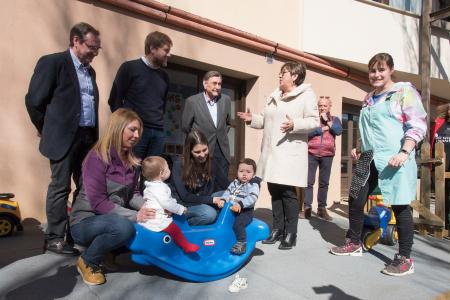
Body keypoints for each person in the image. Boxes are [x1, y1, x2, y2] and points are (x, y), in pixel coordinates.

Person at [330, 53, 427, 277]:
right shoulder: (369, 98)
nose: (376, 74)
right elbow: (368, 128)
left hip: (395, 156)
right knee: (355, 198)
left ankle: (405, 258)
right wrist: (359, 145)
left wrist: (405, 151)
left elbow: (417, 123)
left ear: (391, 70)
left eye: (381, 70)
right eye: (372, 71)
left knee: (400, 205)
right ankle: (354, 243)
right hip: (369, 156)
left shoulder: (404, 92)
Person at [25, 22, 101, 256]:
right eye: (92, 47)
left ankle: (75, 231)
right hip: (63, 138)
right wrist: (45, 128)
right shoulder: (53, 63)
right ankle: (55, 238)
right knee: (60, 187)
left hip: (87, 137)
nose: (95, 53)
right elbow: (34, 101)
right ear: (76, 41)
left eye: (98, 49)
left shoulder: (90, 71)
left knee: (87, 186)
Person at [237, 61, 320, 250]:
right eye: (281, 72)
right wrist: (252, 119)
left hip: (289, 151)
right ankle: (277, 229)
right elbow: (267, 120)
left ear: (295, 76)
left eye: (284, 73)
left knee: (288, 194)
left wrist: (295, 124)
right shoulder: (275, 95)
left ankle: (291, 233)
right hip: (271, 151)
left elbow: (314, 121)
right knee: (274, 190)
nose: (280, 75)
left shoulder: (305, 94)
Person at [70, 108, 156, 285]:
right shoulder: (96, 158)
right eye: (132, 129)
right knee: (124, 227)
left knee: (149, 220)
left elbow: (133, 195)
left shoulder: (131, 160)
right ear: (118, 128)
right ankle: (88, 260)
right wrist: (135, 215)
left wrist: (150, 206)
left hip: (109, 219)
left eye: (139, 130)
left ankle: (107, 252)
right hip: (85, 221)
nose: (137, 135)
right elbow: (99, 203)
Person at [108, 31, 172, 159]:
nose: (169, 55)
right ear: (152, 49)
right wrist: (124, 126)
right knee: (132, 171)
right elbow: (115, 99)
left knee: (152, 175)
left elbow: (162, 105)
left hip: (158, 133)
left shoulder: (165, 77)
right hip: (136, 131)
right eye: (166, 50)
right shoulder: (129, 68)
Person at [182, 71, 232, 190]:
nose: (218, 87)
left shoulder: (226, 99)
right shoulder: (192, 101)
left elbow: (228, 123)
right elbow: (185, 126)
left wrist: (221, 135)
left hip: (221, 149)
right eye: (214, 83)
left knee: (222, 185)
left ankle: (220, 208)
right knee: (203, 184)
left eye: (220, 84)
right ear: (205, 84)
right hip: (202, 150)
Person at [139, 156, 199, 253]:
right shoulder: (160, 187)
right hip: (157, 219)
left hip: (149, 217)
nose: (169, 170)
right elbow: (167, 203)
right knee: (174, 229)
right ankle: (186, 246)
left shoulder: (149, 186)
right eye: (167, 169)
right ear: (161, 173)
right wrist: (181, 209)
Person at [300, 96, 342, 220]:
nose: (322, 108)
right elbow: (306, 134)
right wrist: (321, 129)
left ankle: (321, 209)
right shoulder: (312, 120)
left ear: (329, 107)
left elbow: (338, 131)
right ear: (317, 107)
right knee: (308, 182)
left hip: (328, 154)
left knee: (324, 183)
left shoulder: (335, 119)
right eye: (320, 105)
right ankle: (307, 208)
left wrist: (328, 122)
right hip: (311, 153)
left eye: (325, 105)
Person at [170, 129, 223, 226]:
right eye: (197, 152)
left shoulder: (211, 161)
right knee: (209, 214)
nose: (202, 155)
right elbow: (185, 197)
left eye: (205, 150)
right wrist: (213, 200)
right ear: (189, 151)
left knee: (228, 195)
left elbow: (225, 183)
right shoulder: (179, 164)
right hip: (184, 204)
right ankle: (182, 224)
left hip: (203, 200)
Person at [217, 158, 260, 255]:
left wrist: (240, 204)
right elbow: (228, 192)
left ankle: (242, 243)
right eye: (241, 171)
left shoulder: (253, 185)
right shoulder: (235, 183)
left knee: (238, 225)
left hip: (245, 212)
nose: (244, 174)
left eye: (248, 172)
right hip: (231, 209)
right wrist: (223, 199)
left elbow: (253, 197)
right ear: (237, 172)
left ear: (253, 174)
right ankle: (224, 239)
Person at [431, 103, 450, 229]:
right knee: (442, 196)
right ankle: (443, 224)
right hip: (439, 164)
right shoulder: (439, 122)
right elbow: (431, 141)